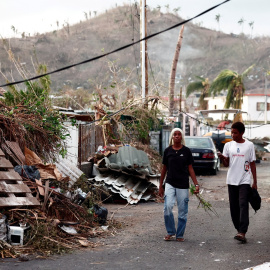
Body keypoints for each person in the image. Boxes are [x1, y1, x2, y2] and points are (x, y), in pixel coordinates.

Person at [218, 121, 257, 243]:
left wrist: (255, 181)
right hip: (231, 180)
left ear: (242, 133)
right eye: (232, 132)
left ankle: (242, 231)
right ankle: (238, 229)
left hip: (244, 180)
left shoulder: (249, 145)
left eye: (235, 133)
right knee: (234, 207)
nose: (233, 135)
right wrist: (223, 159)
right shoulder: (228, 146)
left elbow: (252, 163)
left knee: (243, 204)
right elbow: (226, 164)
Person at [158, 128, 199, 242]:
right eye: (174, 134)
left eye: (179, 134)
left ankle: (179, 234)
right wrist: (160, 185)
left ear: (181, 137)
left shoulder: (186, 151)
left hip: (183, 184)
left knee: (182, 211)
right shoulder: (167, 151)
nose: (176, 136)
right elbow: (164, 169)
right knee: (167, 208)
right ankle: (170, 231)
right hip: (170, 183)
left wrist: (196, 184)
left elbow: (190, 168)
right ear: (172, 136)